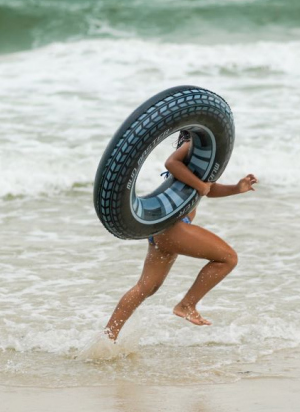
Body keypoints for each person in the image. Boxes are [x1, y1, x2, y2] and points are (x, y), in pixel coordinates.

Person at [105, 130, 258, 340]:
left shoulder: (199, 158)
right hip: (174, 226)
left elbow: (207, 190)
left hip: (164, 227)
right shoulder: (192, 142)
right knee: (228, 258)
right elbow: (171, 163)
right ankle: (187, 305)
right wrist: (200, 185)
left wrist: (236, 188)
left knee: (146, 288)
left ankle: (107, 337)